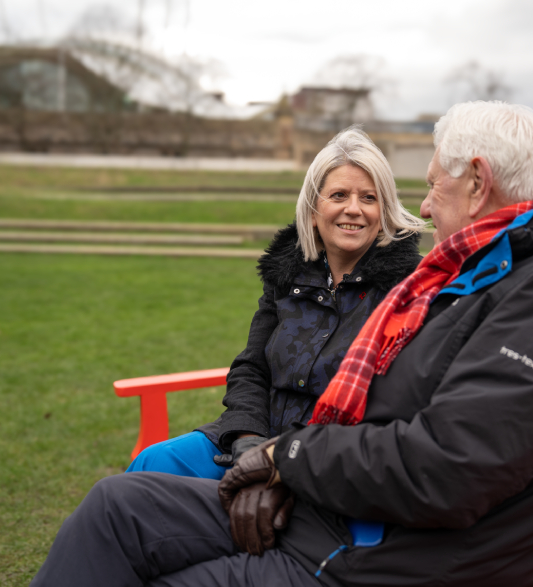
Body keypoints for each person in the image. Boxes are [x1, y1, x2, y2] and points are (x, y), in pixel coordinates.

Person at [30, 101, 533, 587]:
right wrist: (276, 462)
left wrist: (284, 461)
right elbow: (320, 393)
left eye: (431, 186)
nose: (421, 207)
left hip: (374, 556)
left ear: (477, 181)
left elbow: (449, 469)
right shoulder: (480, 279)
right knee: (119, 505)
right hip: (336, 510)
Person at [126, 127, 425, 479]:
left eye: (369, 198)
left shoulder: (408, 289)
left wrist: (281, 457)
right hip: (252, 436)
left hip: (326, 458)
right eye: (339, 195)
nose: (354, 209)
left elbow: (389, 401)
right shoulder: (287, 276)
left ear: (385, 211)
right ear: (313, 210)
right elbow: (252, 367)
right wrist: (248, 439)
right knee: (153, 465)